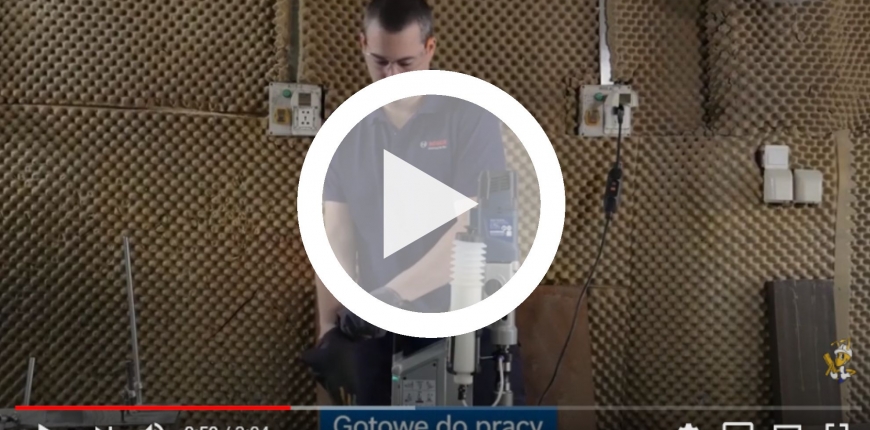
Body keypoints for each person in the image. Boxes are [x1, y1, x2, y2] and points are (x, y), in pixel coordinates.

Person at [301, 0, 526, 407]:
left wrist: (389, 297)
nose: (391, 76)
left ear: (430, 48)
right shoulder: (344, 132)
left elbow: (470, 230)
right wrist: (329, 330)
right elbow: (334, 236)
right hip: (377, 335)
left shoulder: (469, 117)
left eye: (405, 63)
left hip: (463, 330)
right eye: (380, 62)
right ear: (362, 45)